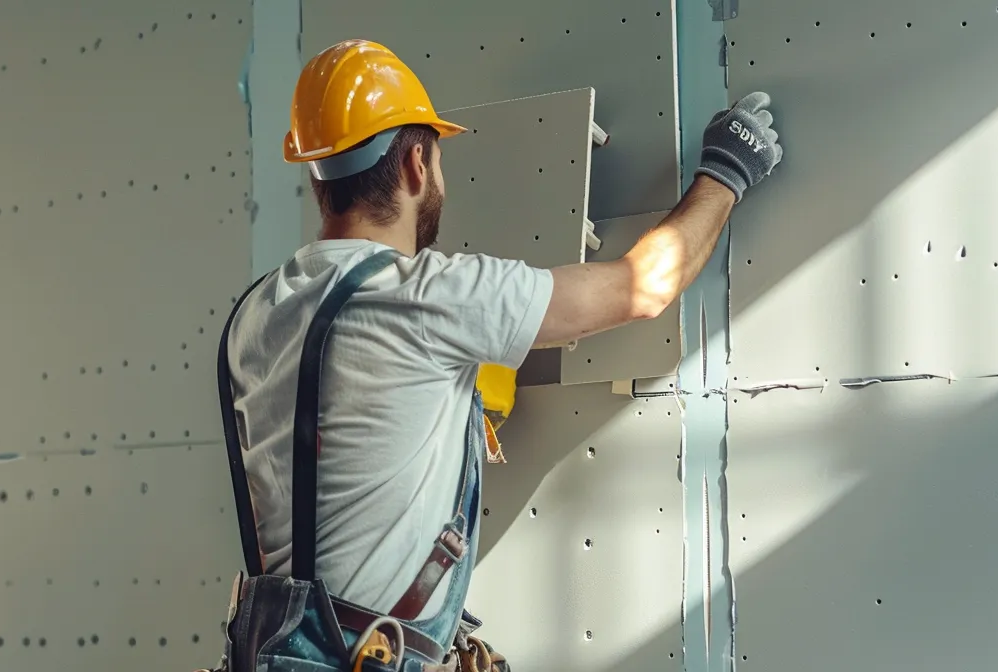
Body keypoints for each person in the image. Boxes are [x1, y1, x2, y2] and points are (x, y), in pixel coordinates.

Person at [203, 39, 783, 672]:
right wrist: (727, 171)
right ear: (416, 164)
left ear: (319, 178)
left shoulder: (255, 312)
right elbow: (642, 286)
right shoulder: (429, 296)